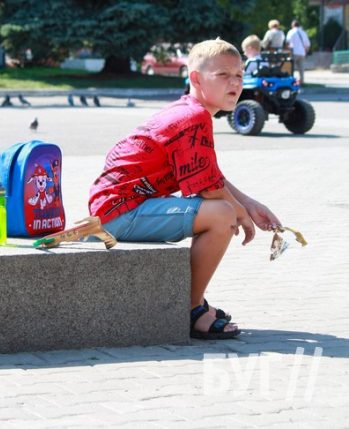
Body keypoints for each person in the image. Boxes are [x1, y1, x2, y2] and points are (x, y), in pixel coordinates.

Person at [88, 38, 281, 340]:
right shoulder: (193, 118)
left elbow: (210, 177)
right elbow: (209, 190)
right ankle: (190, 310)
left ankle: (194, 302)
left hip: (118, 207)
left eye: (239, 75)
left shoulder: (188, 110)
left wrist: (249, 204)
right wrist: (241, 214)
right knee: (220, 215)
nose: (235, 83)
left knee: (224, 208)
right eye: (223, 75)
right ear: (196, 78)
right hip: (119, 213)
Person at [286, 20, 311, 85]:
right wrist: (305, 52)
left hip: (293, 52)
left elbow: (287, 43)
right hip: (302, 53)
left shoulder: (291, 32)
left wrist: (287, 51)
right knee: (301, 69)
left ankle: (291, 81)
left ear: (292, 25)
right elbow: (307, 45)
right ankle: (301, 82)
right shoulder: (303, 32)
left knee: (291, 69)